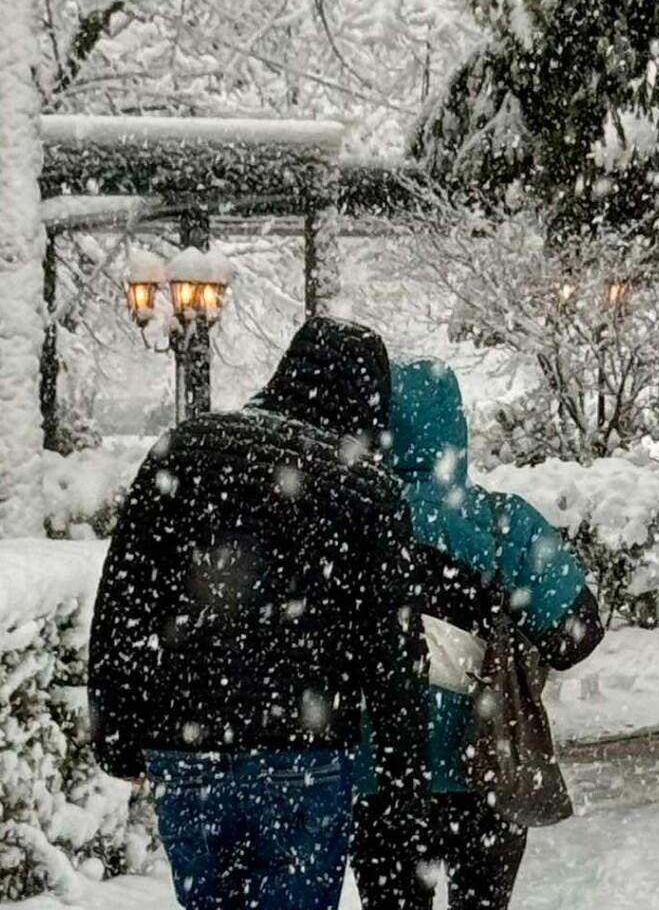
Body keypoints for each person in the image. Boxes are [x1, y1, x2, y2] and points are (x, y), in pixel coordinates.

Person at [88, 317, 431, 910]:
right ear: (370, 401)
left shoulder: (184, 449)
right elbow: (394, 651)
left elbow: (123, 601)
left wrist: (117, 735)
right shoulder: (366, 490)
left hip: (186, 743)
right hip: (305, 752)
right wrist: (403, 786)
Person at [354, 357, 604, 910]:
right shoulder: (502, 521)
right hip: (486, 760)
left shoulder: (355, 518)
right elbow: (577, 634)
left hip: (379, 775)